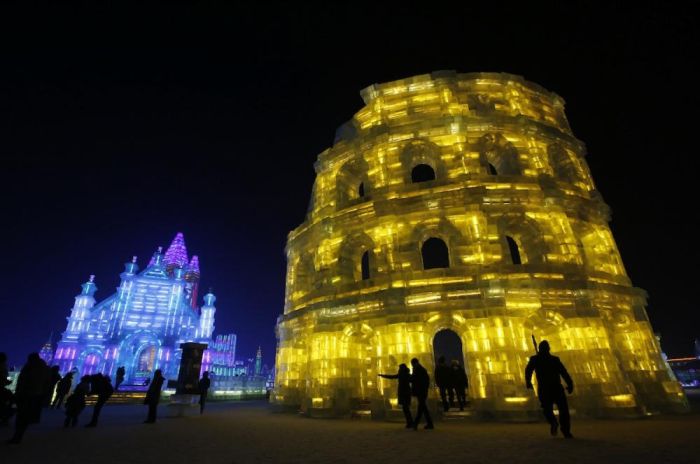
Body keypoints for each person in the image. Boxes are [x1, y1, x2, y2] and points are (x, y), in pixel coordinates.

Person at [525, 340, 574, 438]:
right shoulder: (554, 359)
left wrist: (528, 382)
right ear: (548, 349)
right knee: (562, 410)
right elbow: (564, 372)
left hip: (545, 388)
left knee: (548, 409)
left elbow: (528, 371)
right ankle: (565, 430)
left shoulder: (536, 359)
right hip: (555, 387)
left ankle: (554, 423)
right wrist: (570, 383)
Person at [7, 353, 49, 444]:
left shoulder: (32, 367)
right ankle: (19, 434)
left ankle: (17, 436)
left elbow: (25, 380)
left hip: (27, 393)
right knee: (24, 415)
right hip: (34, 394)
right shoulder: (43, 367)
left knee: (22, 415)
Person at [379, 363, 413, 428]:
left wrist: (382, 375)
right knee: (406, 408)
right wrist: (383, 375)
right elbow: (392, 377)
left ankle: (410, 422)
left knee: (406, 408)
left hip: (404, 393)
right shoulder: (405, 374)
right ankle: (410, 422)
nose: (399, 369)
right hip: (406, 393)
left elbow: (392, 377)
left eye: (400, 368)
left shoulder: (403, 375)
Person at [410, 358, 433, 430]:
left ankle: (415, 424)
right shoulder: (419, 369)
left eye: (412, 364)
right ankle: (430, 424)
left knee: (421, 408)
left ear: (415, 363)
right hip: (421, 391)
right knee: (423, 408)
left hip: (421, 391)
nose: (412, 365)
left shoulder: (420, 370)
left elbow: (418, 380)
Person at [0, 352, 15, 426]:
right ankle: (4, 418)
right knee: (11, 402)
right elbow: (5, 378)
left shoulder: (3, 367)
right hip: (1, 388)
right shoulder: (3, 367)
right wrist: (9, 379)